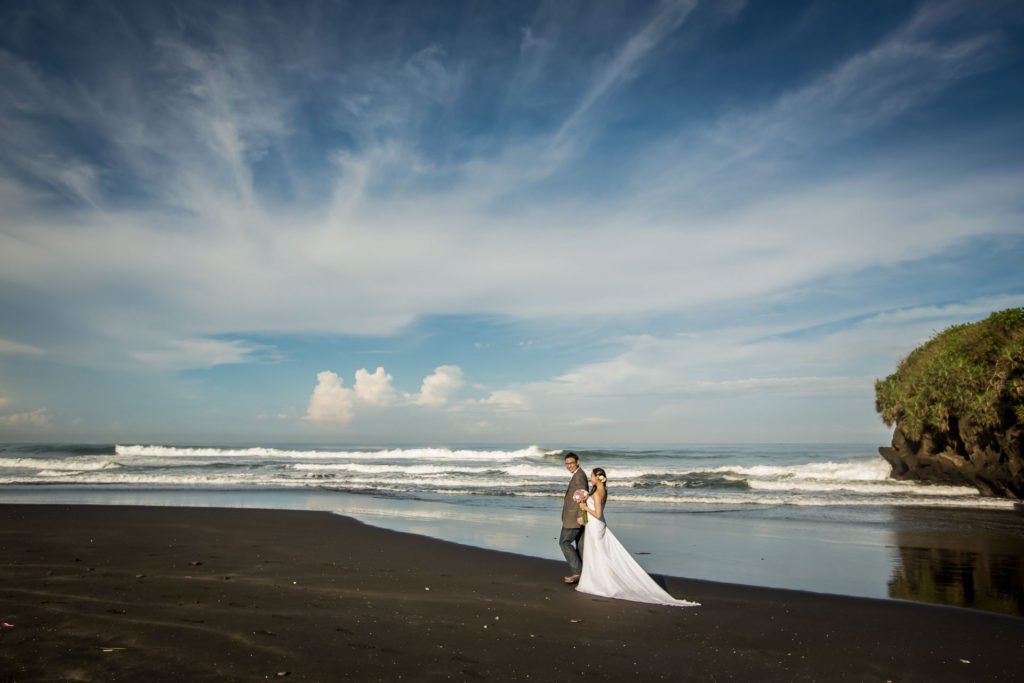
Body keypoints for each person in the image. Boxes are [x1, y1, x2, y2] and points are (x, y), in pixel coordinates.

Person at [576, 467, 700, 607]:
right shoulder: (601, 491)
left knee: (599, 554)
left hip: (597, 526)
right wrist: (584, 516)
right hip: (595, 526)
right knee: (597, 553)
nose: (590, 479)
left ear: (598, 478)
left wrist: (585, 508)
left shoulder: (598, 493)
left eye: (592, 476)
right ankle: (597, 580)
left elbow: (598, 514)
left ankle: (603, 584)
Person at [559, 452, 588, 584]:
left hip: (574, 519)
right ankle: (585, 572)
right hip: (577, 518)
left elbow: (583, 497)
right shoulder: (577, 475)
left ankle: (577, 572)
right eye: (567, 463)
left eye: (571, 463)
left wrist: (580, 516)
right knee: (580, 546)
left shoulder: (579, 476)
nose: (569, 466)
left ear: (577, 462)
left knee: (564, 542)